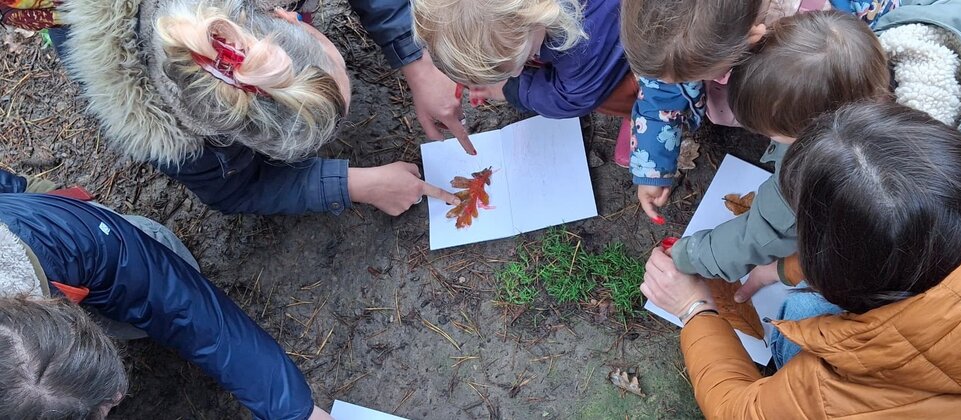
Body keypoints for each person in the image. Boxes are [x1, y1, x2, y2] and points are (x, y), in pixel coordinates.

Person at [641, 101, 961, 417]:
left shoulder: (841, 392)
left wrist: (693, 308)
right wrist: (787, 268)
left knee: (799, 315)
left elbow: (738, 411)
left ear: (843, 278)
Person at [3, 0, 461, 218]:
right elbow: (233, 190)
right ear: (222, 133)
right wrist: (354, 183)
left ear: (277, 16)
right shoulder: (160, 126)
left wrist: (415, 59)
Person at [666, 8, 961, 298]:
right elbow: (959, 11)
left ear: (818, 135)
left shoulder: (817, 177)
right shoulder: (913, 31)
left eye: (770, 132)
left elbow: (760, 233)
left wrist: (689, 255)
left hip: (929, 231)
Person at [0, 168, 331, 419]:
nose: (117, 399)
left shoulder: (64, 239)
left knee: (156, 257)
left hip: (65, 237)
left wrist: (295, 411)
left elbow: (186, 308)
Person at [619, 0, 906, 223]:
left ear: (752, 37)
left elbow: (854, 79)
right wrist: (652, 168)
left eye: (689, 78)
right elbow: (659, 95)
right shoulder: (678, 37)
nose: (669, 85)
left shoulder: (825, 41)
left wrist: (794, 130)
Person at [411, 0, 635, 135]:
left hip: (650, 34)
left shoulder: (581, 43)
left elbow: (574, 97)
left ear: (535, 19)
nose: (517, 72)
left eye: (523, 59)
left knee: (612, 89)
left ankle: (644, 115)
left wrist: (514, 89)